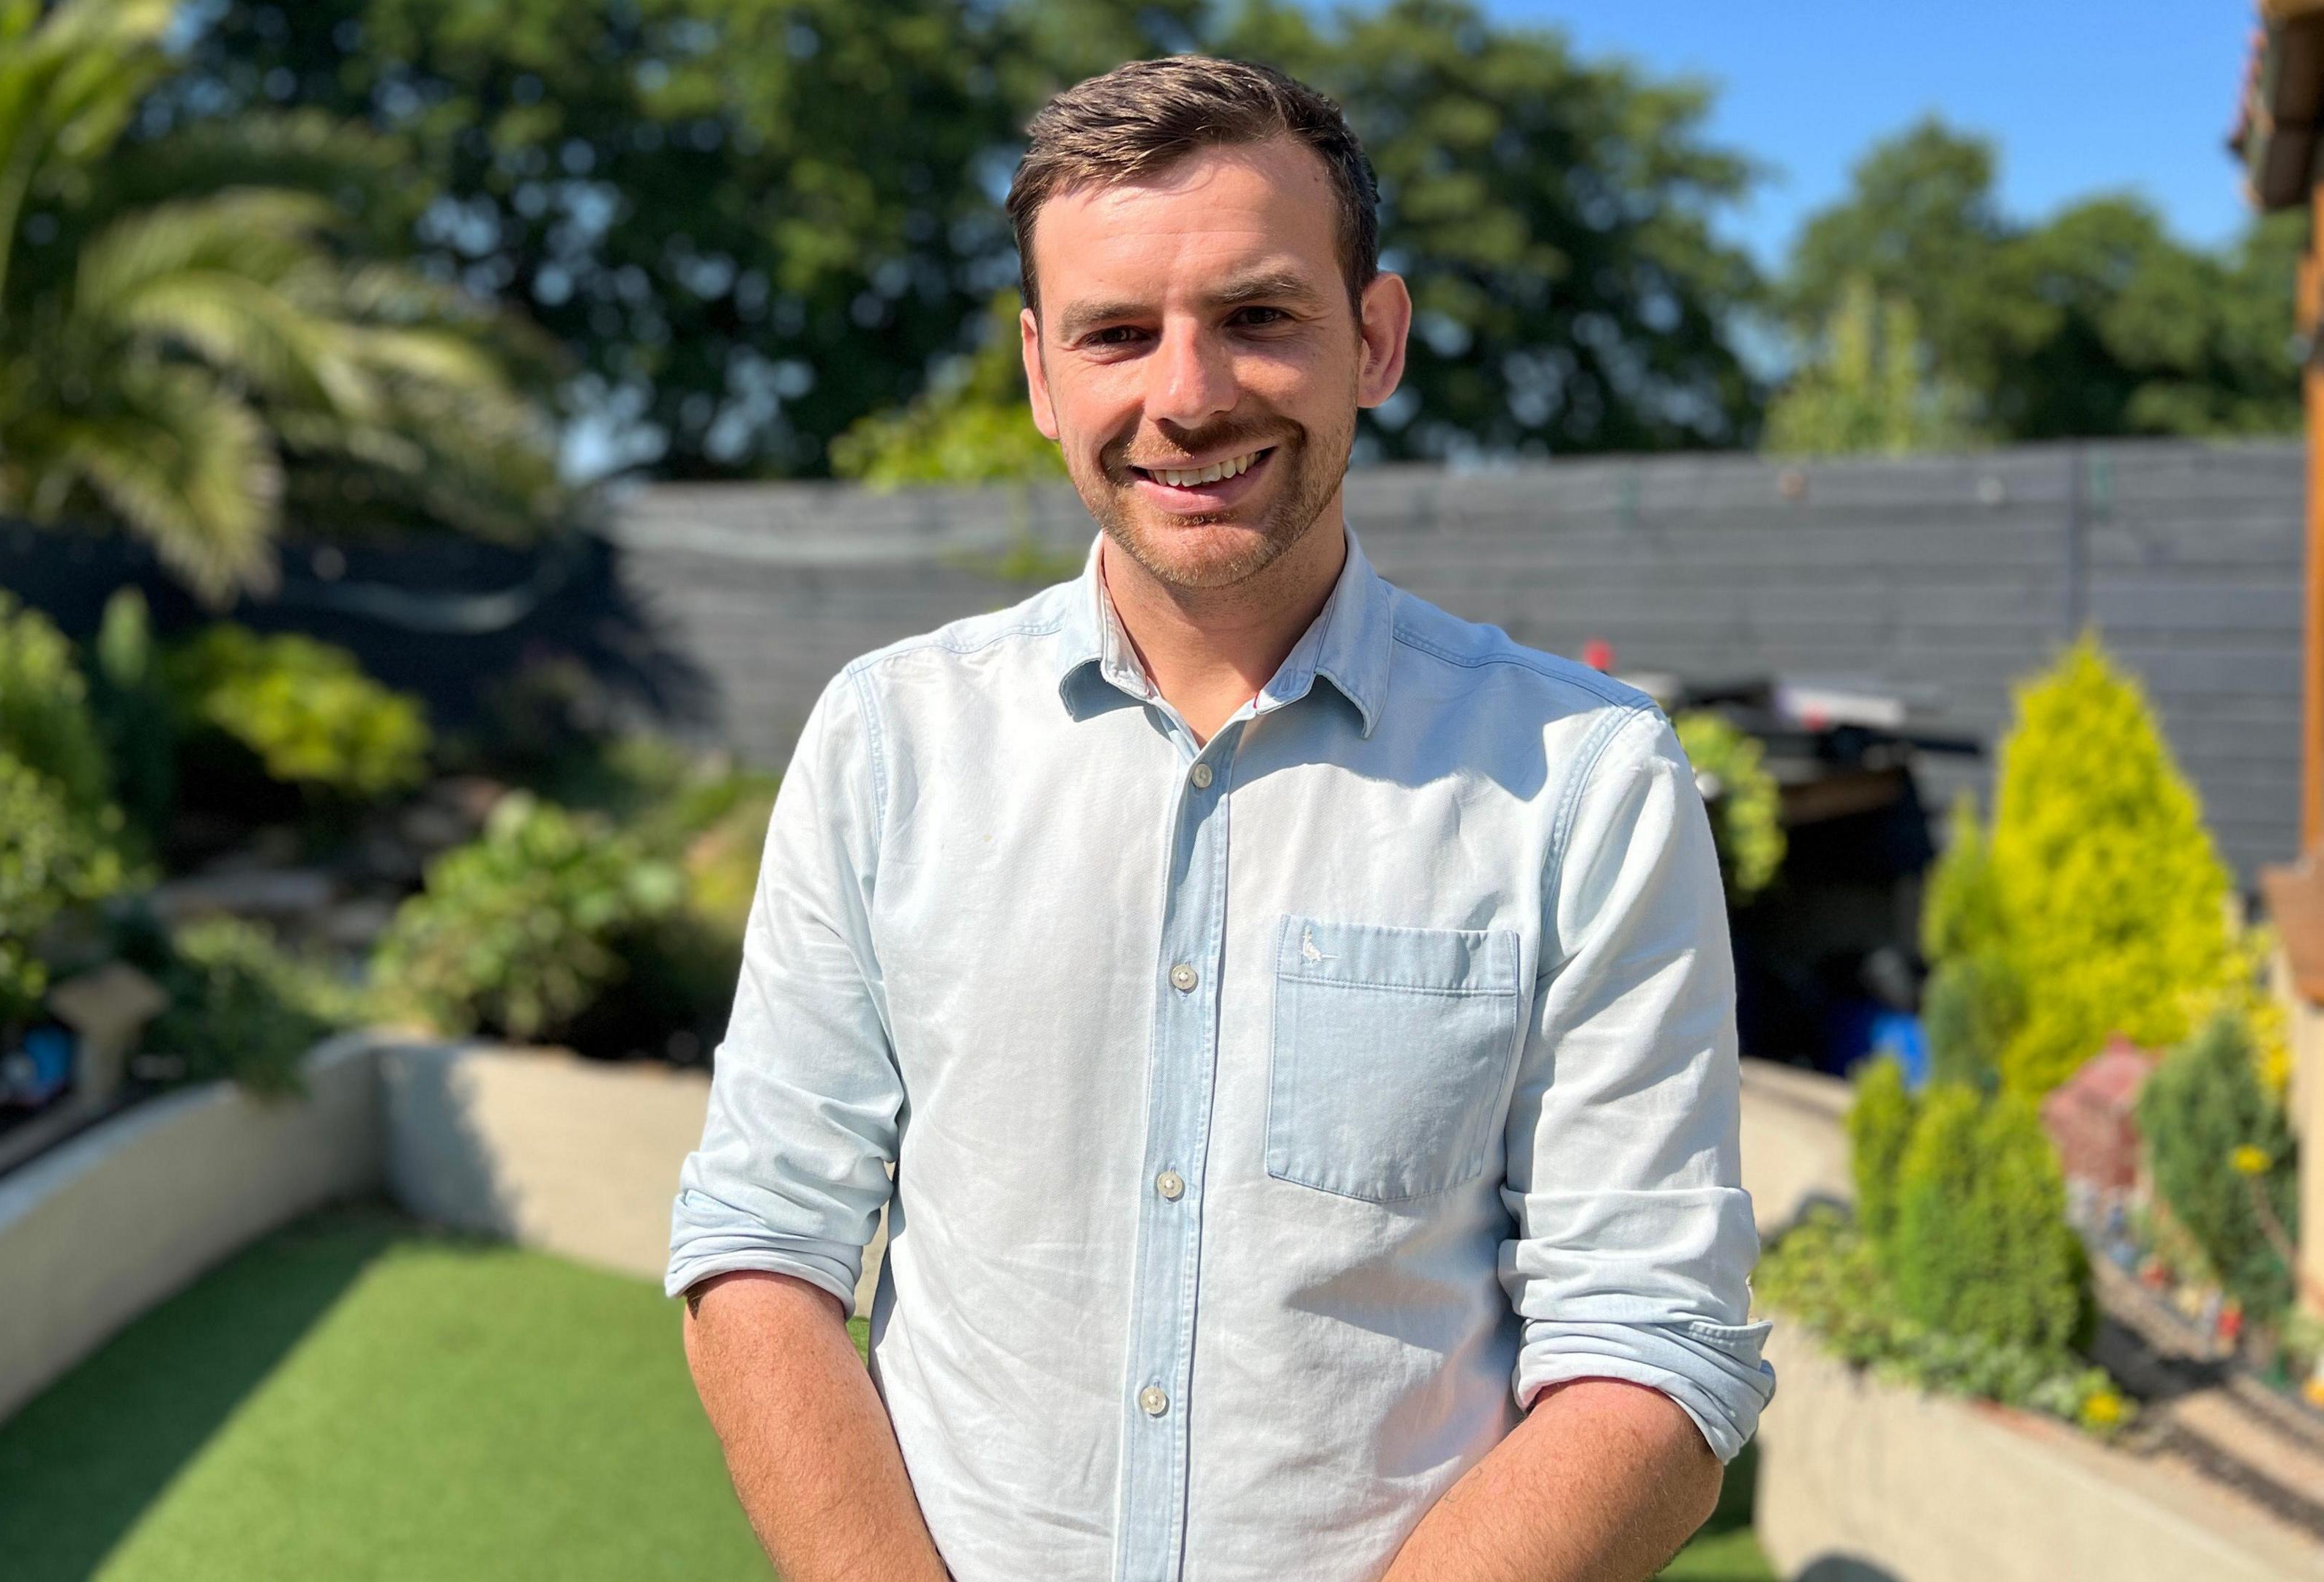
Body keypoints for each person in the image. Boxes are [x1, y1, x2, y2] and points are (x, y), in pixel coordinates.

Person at [668, 54, 1770, 1582]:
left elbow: (1653, 1345)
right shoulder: (889, 743)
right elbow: (760, 1246)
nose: (1186, 397)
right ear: (1043, 374)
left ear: (1372, 339)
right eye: (1119, 334)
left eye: (1258, 317)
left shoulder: (1581, 778)